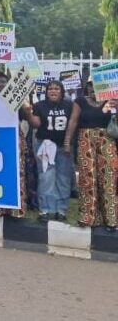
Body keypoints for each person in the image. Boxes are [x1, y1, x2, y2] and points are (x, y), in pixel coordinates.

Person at [63, 80, 118, 230]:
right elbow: (73, 121)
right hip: (85, 141)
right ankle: (88, 218)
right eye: (90, 86)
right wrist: (67, 142)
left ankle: (111, 220)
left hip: (107, 141)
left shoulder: (111, 101)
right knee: (87, 178)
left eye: (97, 85)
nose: (93, 89)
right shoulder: (80, 101)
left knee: (109, 178)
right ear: (86, 88)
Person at [21, 80, 73, 223]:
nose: (53, 91)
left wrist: (68, 143)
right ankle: (45, 210)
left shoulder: (69, 105)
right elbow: (36, 124)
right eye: (50, 88)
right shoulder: (40, 105)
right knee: (46, 177)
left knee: (63, 177)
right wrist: (28, 114)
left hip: (63, 146)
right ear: (46, 91)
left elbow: (73, 123)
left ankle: (61, 210)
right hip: (44, 144)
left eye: (56, 88)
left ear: (62, 91)